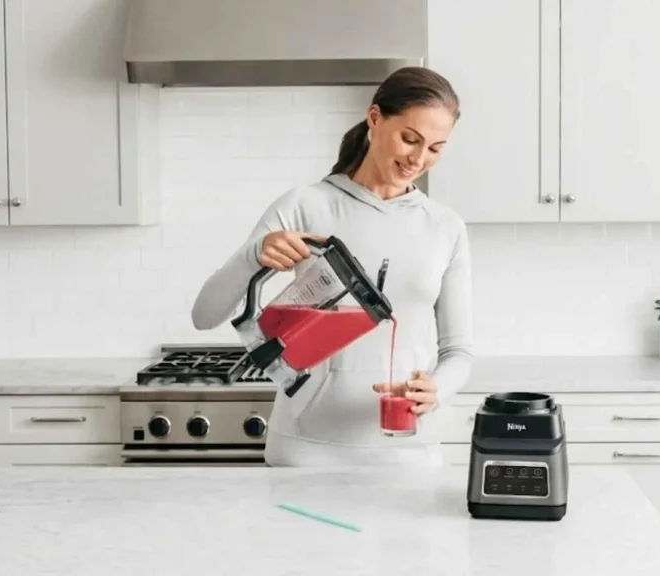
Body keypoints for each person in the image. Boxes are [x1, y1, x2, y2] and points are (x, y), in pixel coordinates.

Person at [191, 67, 473, 467]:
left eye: (435, 148)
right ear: (375, 118)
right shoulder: (305, 205)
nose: (418, 159)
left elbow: (459, 351)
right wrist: (255, 254)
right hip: (305, 450)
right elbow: (204, 316)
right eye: (410, 139)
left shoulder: (445, 227)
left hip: (408, 453)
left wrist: (437, 390)